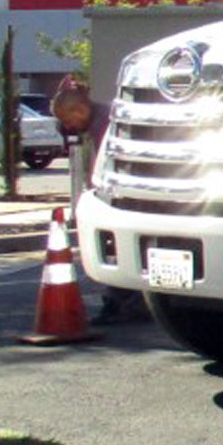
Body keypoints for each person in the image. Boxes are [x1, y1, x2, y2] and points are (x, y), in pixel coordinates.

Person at [54, 76, 150, 325]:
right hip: (133, 193)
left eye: (68, 119)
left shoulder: (102, 124)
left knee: (114, 247)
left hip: (126, 196)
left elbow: (110, 167)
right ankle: (128, 302)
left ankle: (125, 303)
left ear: (80, 109)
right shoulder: (103, 116)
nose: (70, 126)